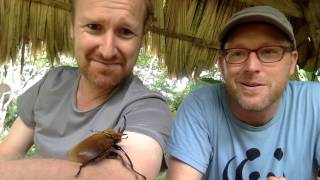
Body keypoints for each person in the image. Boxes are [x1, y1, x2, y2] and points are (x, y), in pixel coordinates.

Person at [0, 0, 172, 179]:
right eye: (94, 27)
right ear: (72, 28)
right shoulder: (50, 84)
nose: (107, 51)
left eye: (125, 32)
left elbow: (126, 176)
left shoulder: (149, 108)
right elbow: (7, 153)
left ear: (142, 38)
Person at [166, 6, 320, 180]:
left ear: (292, 62)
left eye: (269, 52)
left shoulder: (315, 102)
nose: (251, 67)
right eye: (237, 53)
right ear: (222, 64)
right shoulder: (200, 106)